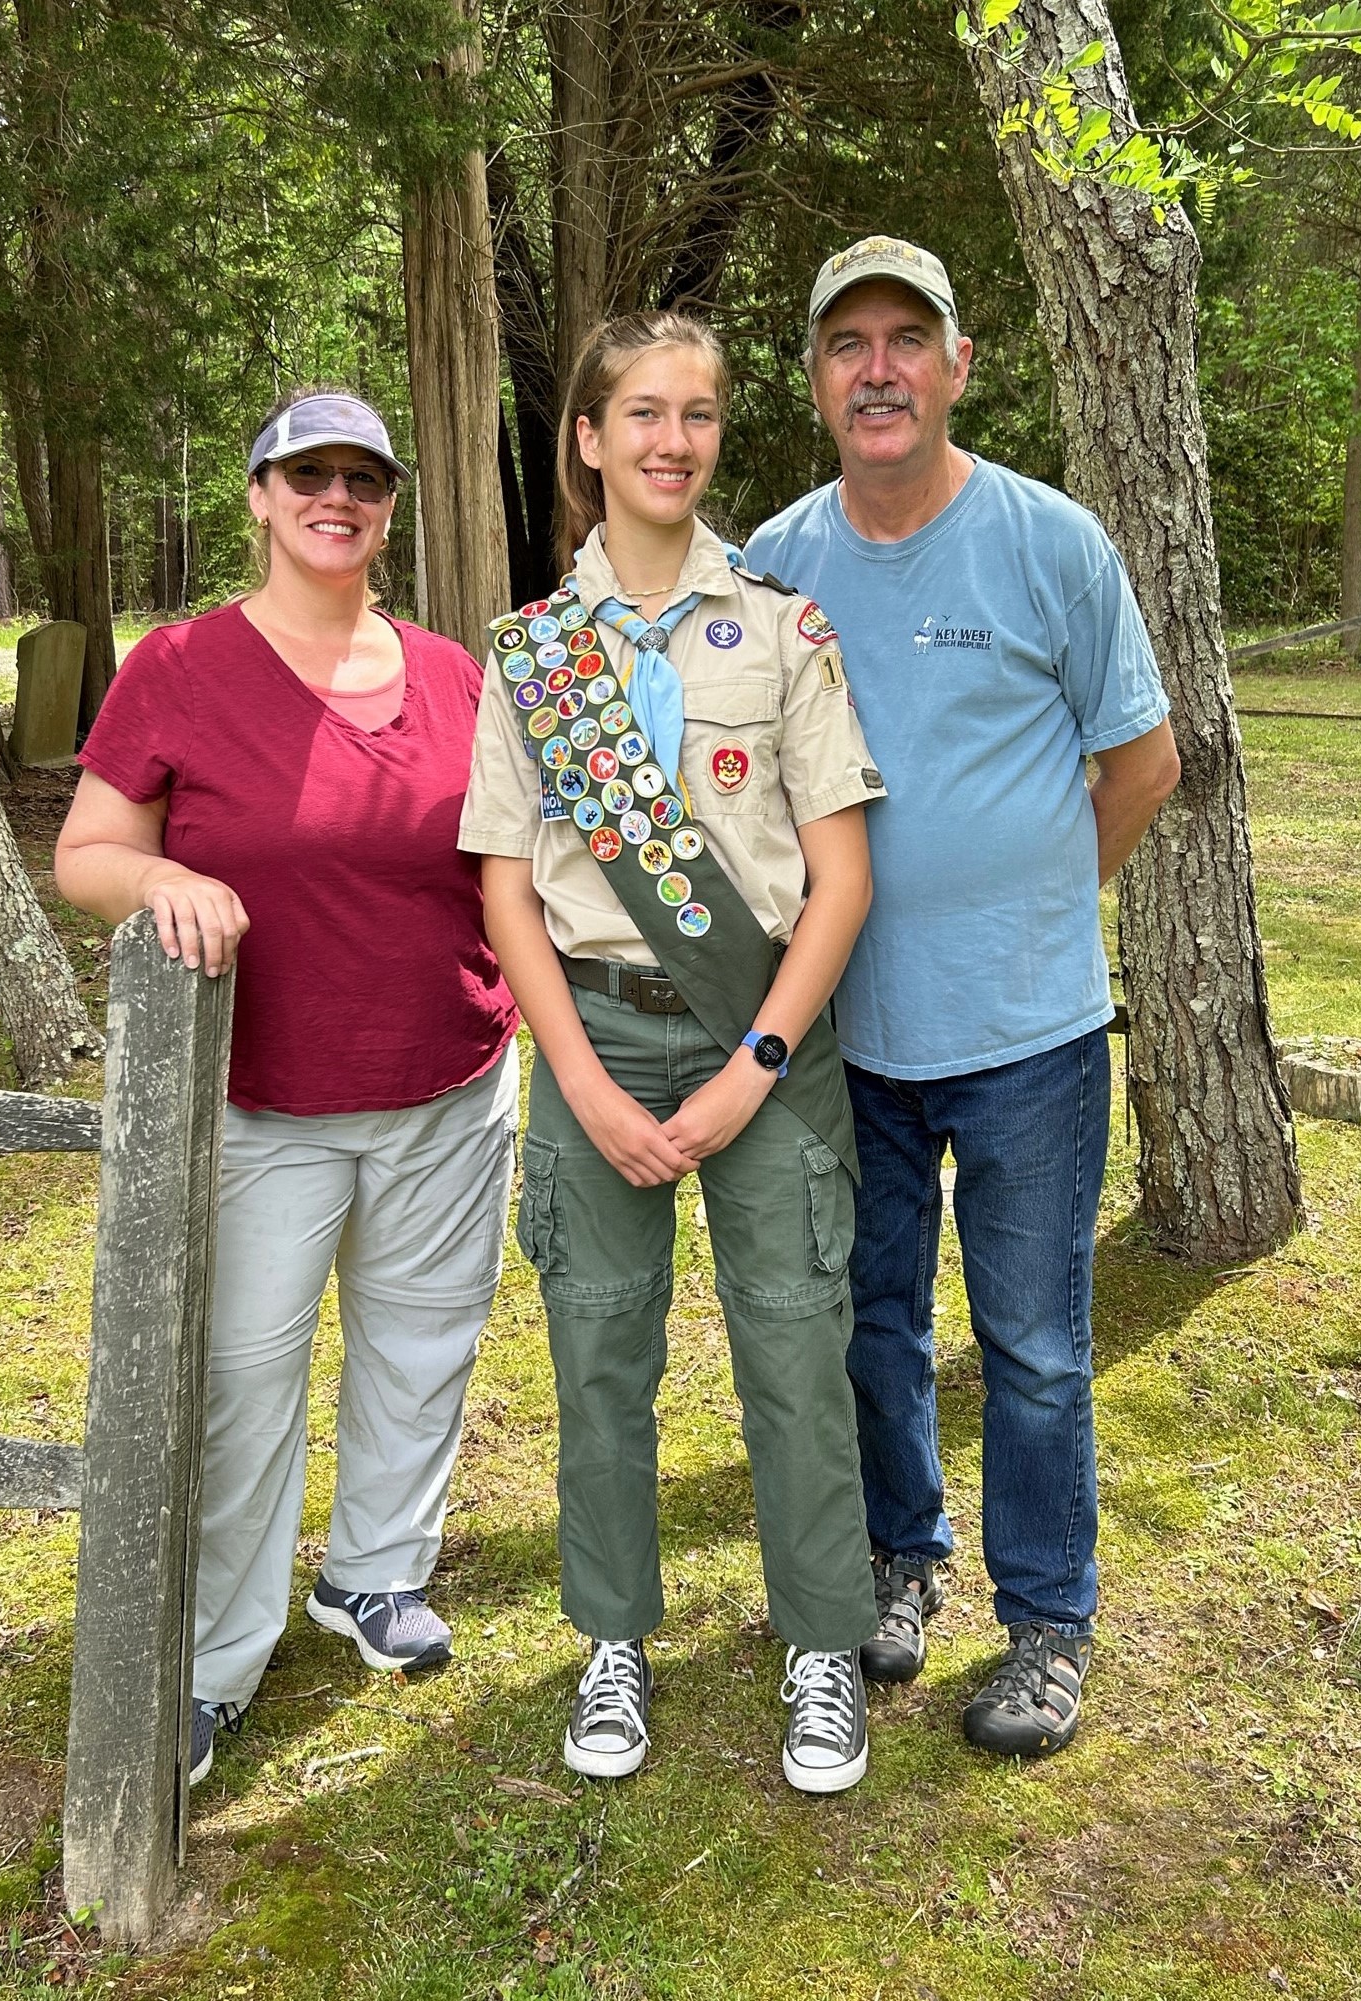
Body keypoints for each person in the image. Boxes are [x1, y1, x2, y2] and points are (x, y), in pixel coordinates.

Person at [746, 237, 1181, 1758]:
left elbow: (1140, 762)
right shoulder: (774, 564)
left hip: (1029, 1039)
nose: (879, 368)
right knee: (869, 1319)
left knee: (1036, 1343)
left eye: (905, 340)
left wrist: (1042, 900)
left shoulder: (1053, 544)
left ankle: (1049, 1622)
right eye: (848, 344)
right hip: (848, 1035)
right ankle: (896, 1557)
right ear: (817, 383)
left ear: (956, 366)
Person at [54, 387, 519, 1784]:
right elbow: (86, 850)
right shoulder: (184, 666)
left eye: (364, 478)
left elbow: (507, 873)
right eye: (307, 472)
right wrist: (162, 874)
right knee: (245, 1379)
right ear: (258, 494)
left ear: (390, 505)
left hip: (450, 1079)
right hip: (264, 1099)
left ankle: (373, 1574)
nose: (338, 497)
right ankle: (211, 1656)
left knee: (421, 1342)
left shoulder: (451, 675)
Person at [459, 312, 888, 1794]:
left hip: (760, 1046)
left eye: (698, 414)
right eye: (641, 412)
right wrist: (576, 1080)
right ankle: (613, 1639)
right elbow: (508, 886)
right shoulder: (531, 657)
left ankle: (823, 1641)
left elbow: (841, 880)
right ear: (586, 438)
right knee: (600, 1358)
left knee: (794, 1348)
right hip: (594, 1046)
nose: (671, 440)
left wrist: (751, 1065)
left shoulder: (780, 631)